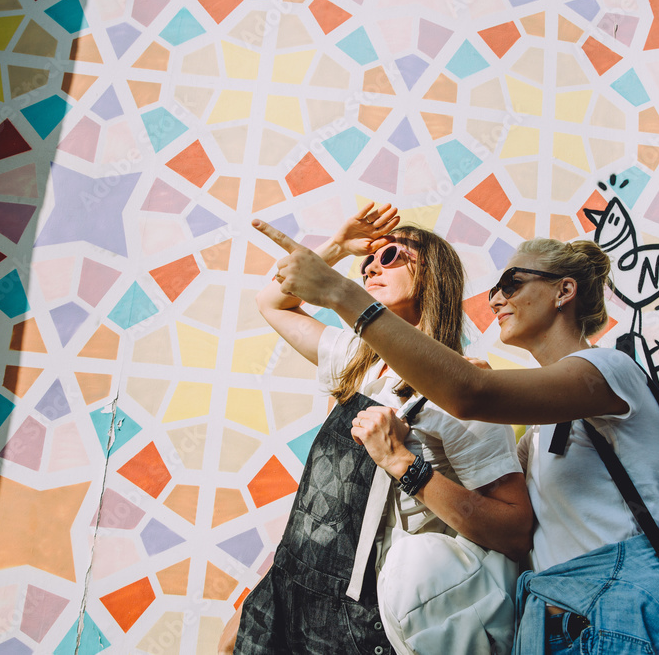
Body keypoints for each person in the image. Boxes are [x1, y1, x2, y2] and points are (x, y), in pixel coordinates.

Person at [254, 218, 659, 655]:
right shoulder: (538, 426)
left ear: (564, 291)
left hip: (612, 604)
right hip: (549, 614)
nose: (497, 298)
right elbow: (475, 396)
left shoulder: (613, 370)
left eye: (512, 283)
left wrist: (339, 292)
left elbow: (471, 396)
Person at [224, 203, 532, 655]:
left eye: (390, 257)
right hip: (291, 588)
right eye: (366, 262)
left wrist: (403, 465)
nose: (371, 269)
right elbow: (271, 301)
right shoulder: (356, 359)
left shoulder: (461, 385)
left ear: (431, 274)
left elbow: (515, 530)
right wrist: (337, 246)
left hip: (363, 615)